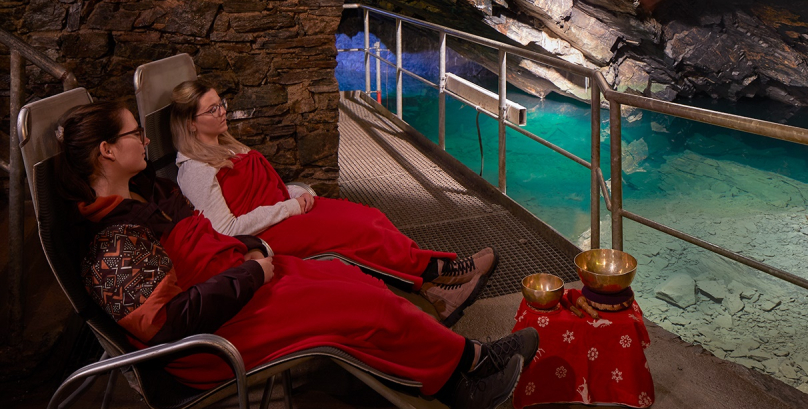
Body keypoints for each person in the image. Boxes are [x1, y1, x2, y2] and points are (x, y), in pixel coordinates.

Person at [55, 101, 538, 409]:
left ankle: (464, 367)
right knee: (363, 309)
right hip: (212, 339)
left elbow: (207, 233)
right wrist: (249, 273)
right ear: (106, 152)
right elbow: (165, 326)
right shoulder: (111, 246)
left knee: (361, 285)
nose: (144, 140)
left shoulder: (148, 192)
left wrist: (255, 251)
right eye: (133, 134)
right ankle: (469, 372)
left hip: (241, 286)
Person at [170, 79, 494, 327]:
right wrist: (289, 208)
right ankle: (441, 273)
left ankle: (436, 285)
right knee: (359, 234)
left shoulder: (225, 145)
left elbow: (267, 186)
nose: (222, 111)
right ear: (191, 124)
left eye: (220, 103)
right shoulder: (195, 170)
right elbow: (225, 230)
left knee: (370, 218)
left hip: (284, 212)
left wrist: (295, 193)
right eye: (212, 109)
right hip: (268, 234)